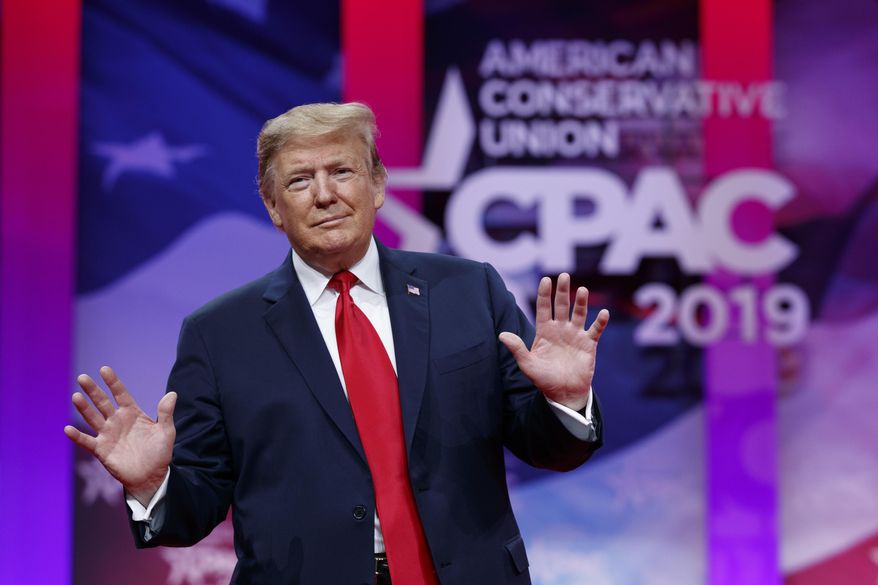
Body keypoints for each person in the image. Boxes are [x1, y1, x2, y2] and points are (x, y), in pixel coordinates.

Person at [65, 102, 608, 585]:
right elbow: (196, 505)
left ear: (377, 185)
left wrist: (565, 402)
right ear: (274, 206)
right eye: (300, 180)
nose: (324, 194)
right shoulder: (218, 334)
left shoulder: (468, 290)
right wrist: (154, 484)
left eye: (342, 171)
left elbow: (546, 447)